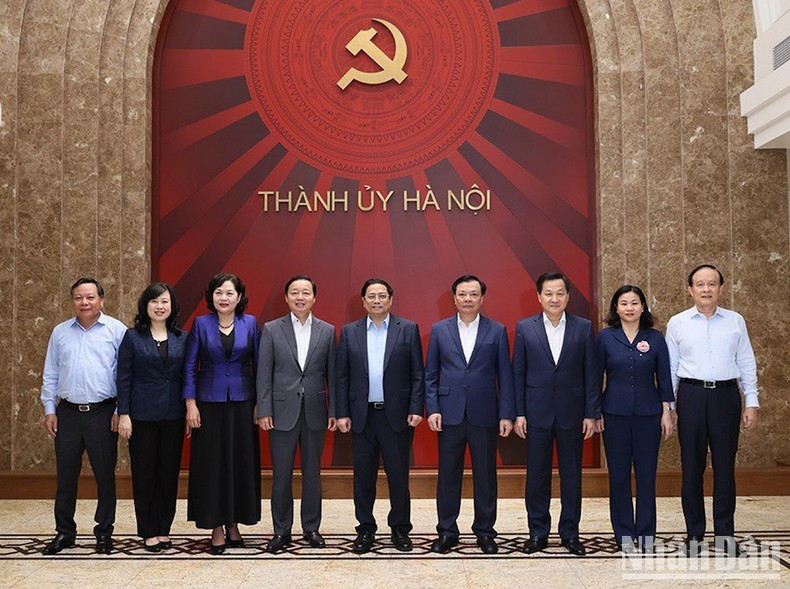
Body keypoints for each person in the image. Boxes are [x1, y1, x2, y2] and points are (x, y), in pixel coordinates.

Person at [666, 264, 758, 556]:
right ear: (689, 289)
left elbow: (746, 361)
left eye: (712, 284)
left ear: (721, 288)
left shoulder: (735, 321)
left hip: (726, 397)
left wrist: (751, 401)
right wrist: (669, 407)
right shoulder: (677, 323)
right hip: (691, 396)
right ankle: (694, 534)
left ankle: (725, 535)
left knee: (724, 468)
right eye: (700, 284)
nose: (706, 289)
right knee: (691, 468)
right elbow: (670, 369)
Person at [425, 275, 515, 555]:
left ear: (482, 298)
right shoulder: (439, 330)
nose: (467, 299)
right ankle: (447, 531)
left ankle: (485, 532)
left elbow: (505, 376)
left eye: (473, 294)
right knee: (448, 474)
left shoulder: (497, 330)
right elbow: (430, 375)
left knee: (486, 475)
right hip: (449, 412)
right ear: (454, 298)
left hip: (485, 413)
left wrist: (506, 414)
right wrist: (433, 408)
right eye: (462, 294)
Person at [513, 272, 600, 556]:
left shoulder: (584, 328)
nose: (554, 298)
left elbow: (591, 374)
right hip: (536, 414)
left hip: (572, 414)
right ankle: (537, 533)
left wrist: (590, 413)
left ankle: (570, 534)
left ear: (568, 296)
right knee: (536, 476)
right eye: (548, 293)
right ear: (539, 296)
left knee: (571, 475)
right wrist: (519, 413)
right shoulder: (525, 328)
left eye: (560, 293)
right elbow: (519, 374)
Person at [335, 278, 425, 554]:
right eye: (371, 296)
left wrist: (415, 408)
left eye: (382, 296)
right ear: (362, 301)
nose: (376, 300)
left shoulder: (407, 329)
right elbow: (341, 376)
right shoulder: (350, 332)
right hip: (362, 416)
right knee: (363, 477)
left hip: (396, 415)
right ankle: (365, 529)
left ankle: (400, 528)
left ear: (390, 299)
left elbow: (417, 374)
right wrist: (342, 413)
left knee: (398, 476)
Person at [40, 277, 127, 555]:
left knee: (104, 475)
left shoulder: (117, 331)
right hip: (67, 414)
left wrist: (119, 410)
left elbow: (126, 376)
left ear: (102, 300)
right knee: (66, 476)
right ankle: (65, 533)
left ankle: (104, 533)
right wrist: (50, 409)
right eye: (79, 297)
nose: (85, 302)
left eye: (90, 297)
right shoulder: (60, 332)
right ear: (73, 301)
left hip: (103, 413)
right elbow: (50, 372)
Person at [257, 275, 337, 553]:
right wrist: (263, 409)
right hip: (281, 411)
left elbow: (333, 376)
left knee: (312, 473)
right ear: (286, 297)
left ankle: (311, 528)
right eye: (294, 292)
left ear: (314, 297)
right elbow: (263, 372)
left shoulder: (327, 331)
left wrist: (335, 411)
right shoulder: (271, 329)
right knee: (281, 474)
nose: (300, 297)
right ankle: (281, 531)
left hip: (315, 410)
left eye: (305, 293)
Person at [183, 273, 261, 554]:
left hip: (243, 403)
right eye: (219, 292)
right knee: (212, 465)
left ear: (239, 297)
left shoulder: (250, 323)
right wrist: (190, 404)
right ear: (211, 297)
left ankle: (234, 523)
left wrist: (260, 403)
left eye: (230, 293)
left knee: (239, 462)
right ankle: (216, 525)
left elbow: (260, 365)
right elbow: (190, 366)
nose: (224, 298)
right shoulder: (201, 324)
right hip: (208, 404)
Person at [596, 285, 674, 552]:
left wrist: (667, 411)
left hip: (649, 415)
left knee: (646, 475)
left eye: (635, 302)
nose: (629, 307)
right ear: (615, 308)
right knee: (618, 476)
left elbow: (664, 378)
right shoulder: (606, 337)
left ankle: (646, 534)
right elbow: (595, 378)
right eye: (624, 303)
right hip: (614, 415)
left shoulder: (655, 338)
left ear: (643, 307)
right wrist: (595, 413)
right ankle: (624, 534)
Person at [116, 282, 187, 552]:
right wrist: (124, 413)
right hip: (141, 415)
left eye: (165, 301)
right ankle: (147, 530)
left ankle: (164, 528)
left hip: (173, 415)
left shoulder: (183, 337)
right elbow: (123, 377)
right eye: (154, 301)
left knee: (168, 474)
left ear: (172, 306)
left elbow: (187, 375)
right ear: (145, 306)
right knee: (144, 474)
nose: (160, 306)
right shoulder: (132, 337)